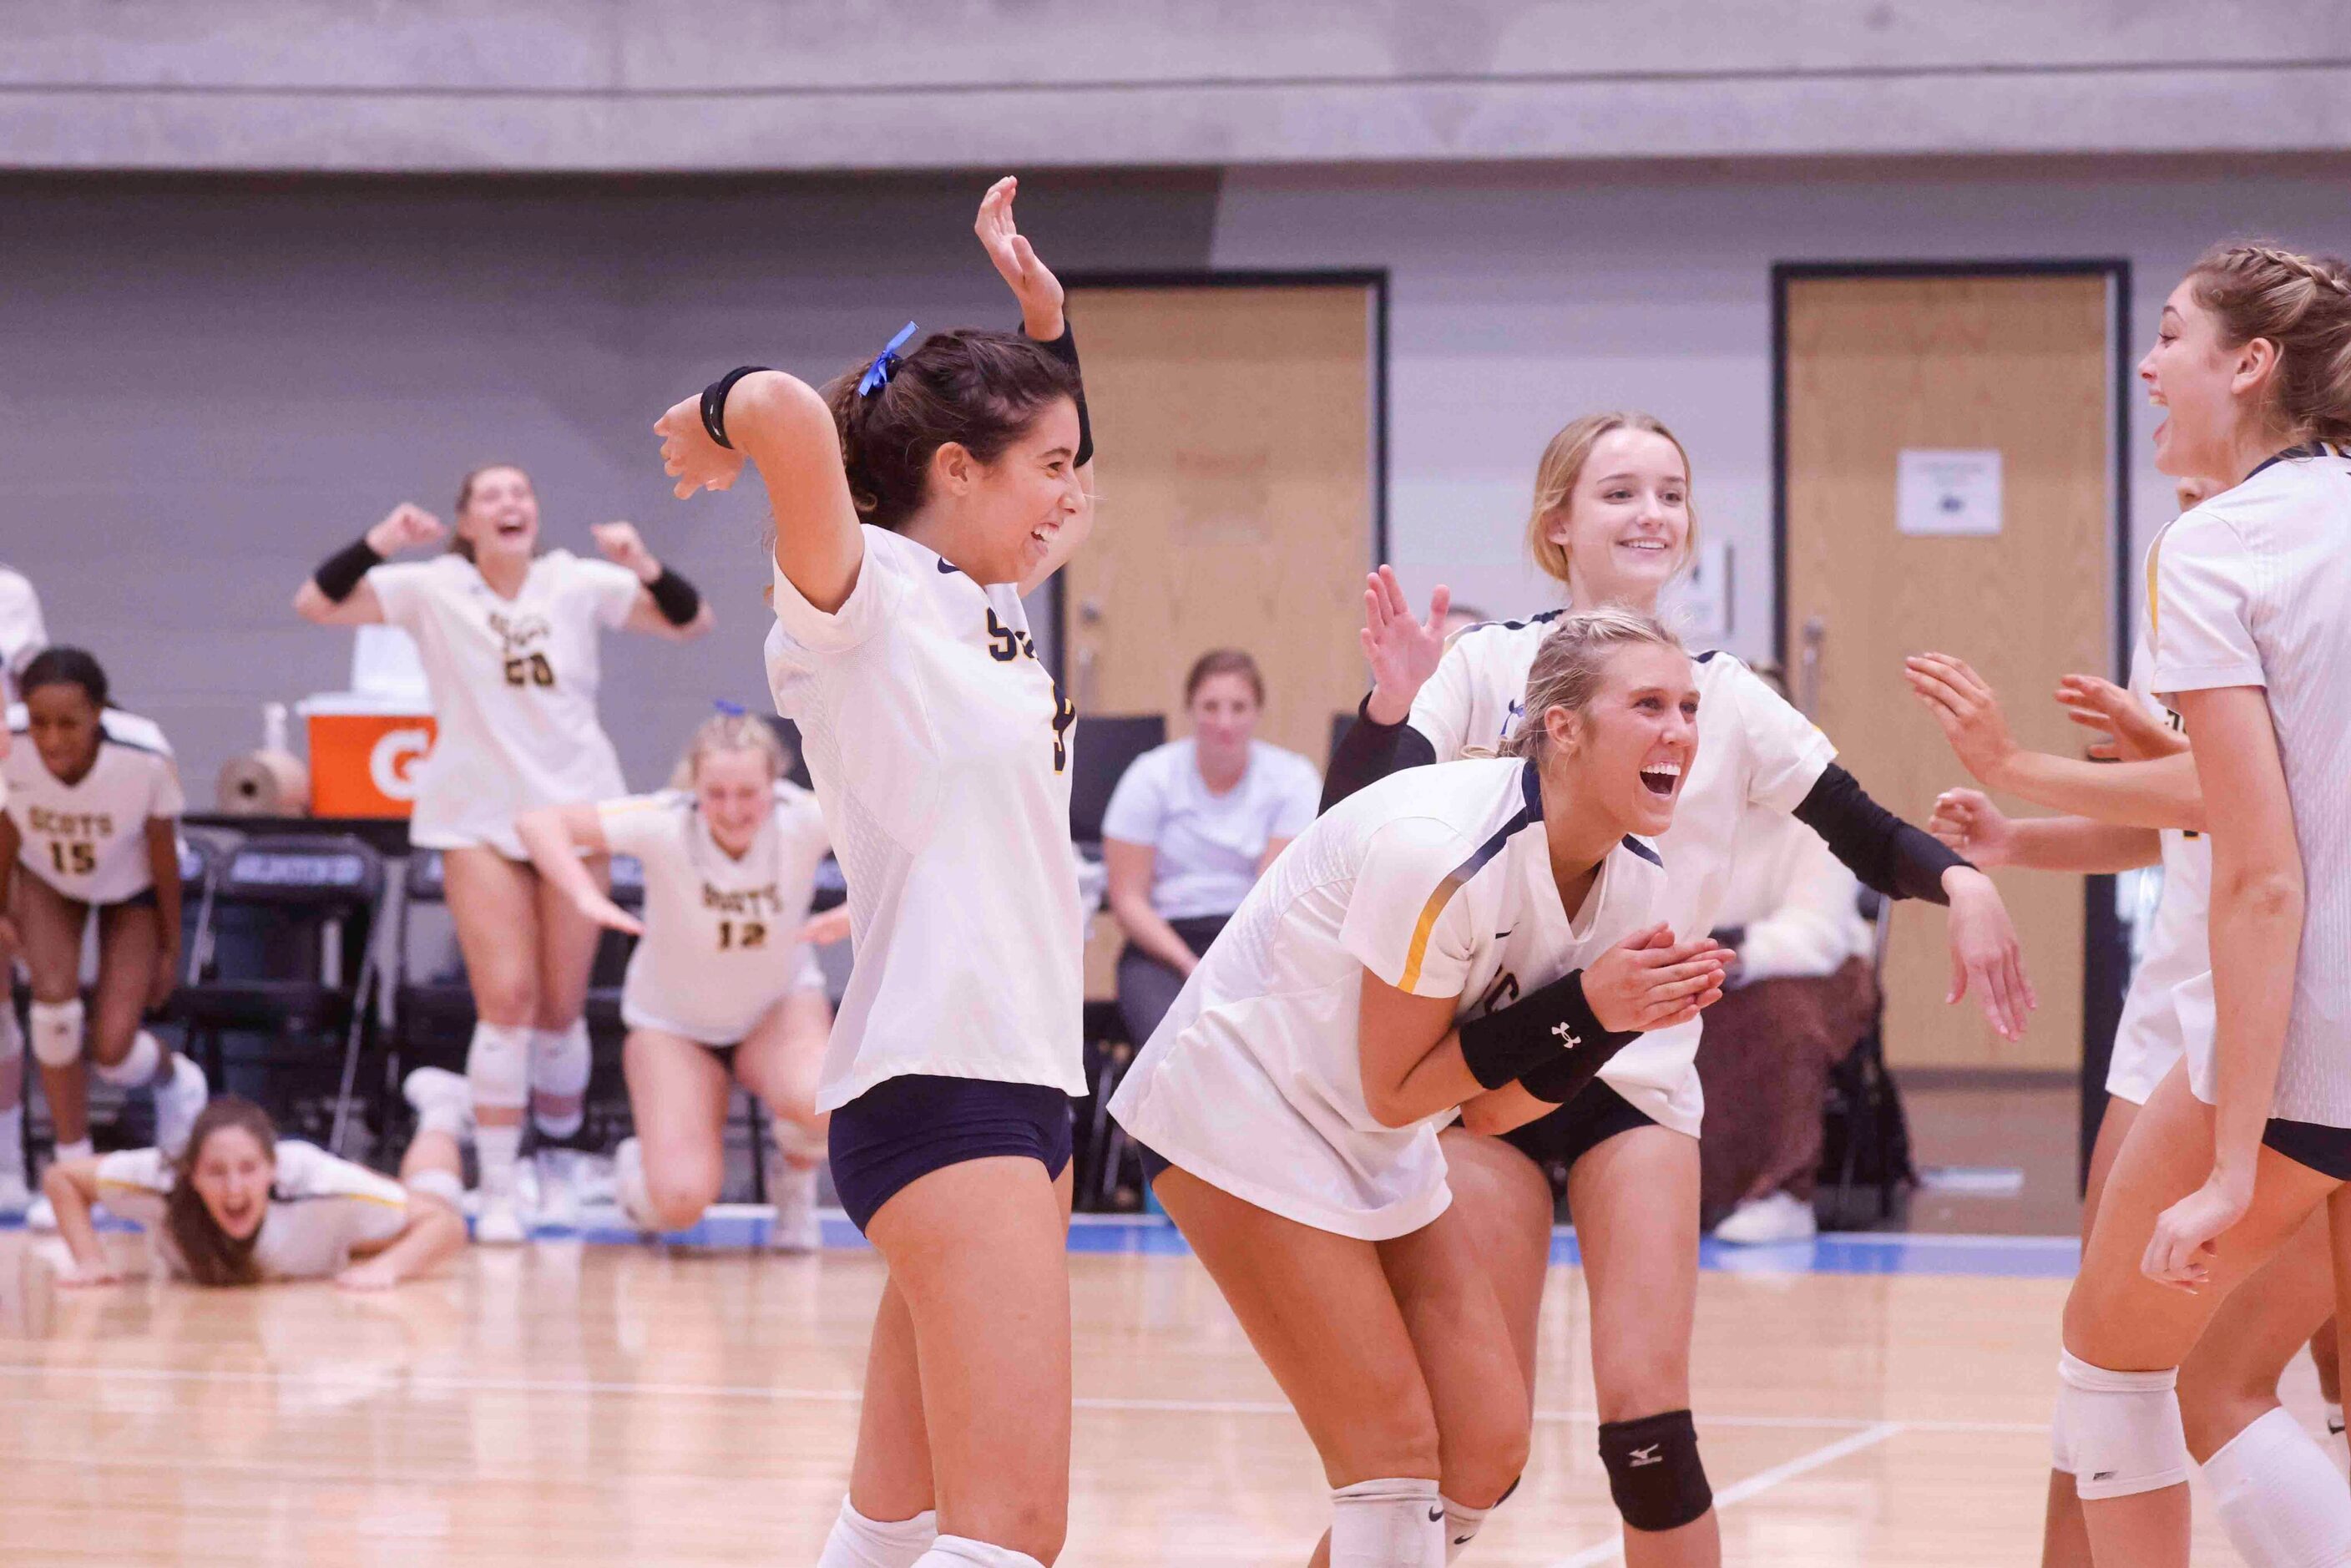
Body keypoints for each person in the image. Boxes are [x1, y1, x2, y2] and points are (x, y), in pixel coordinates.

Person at [1324, 411, 2030, 1565]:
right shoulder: (1488, 664)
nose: (1650, 512)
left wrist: (1965, 885)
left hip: (1633, 1083)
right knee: (1476, 1443)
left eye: (1670, 492)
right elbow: (1359, 831)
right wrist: (1391, 709)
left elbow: (1860, 826)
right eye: (1619, 493)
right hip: (1478, 1079)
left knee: (1648, 1426)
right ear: (1559, 524)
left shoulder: (1722, 694)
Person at [655, 175, 1093, 1568]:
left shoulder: (987, 610)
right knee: (1011, 1528)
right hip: (938, 1082)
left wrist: (1043, 321)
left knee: (893, 1520)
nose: (1076, 496)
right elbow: (788, 405)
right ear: (953, 472)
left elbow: (1033, 456)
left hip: (1026, 1081)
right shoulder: (860, 605)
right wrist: (714, 413)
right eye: (1051, 468)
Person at [1113, 610, 1728, 1567]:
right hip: (1241, 1111)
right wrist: (1582, 1007)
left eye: (1688, 707)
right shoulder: (1438, 843)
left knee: (1482, 1447)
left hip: (1372, 1128)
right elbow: (1400, 1089)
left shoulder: (1638, 884)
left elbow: (1486, 1111)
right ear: (1561, 726)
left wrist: (1609, 1021)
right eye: (1648, 704)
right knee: (1392, 1459)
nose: (1679, 731)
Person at [2045, 242, 2351, 1567]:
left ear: (2250, 363)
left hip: (2311, 1036)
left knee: (2117, 1377)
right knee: (2232, 1383)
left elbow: (2258, 864)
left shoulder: (2216, 545)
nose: (2148, 364)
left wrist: (2234, 1158)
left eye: (2170, 335)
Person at [294, 467, 714, 1242]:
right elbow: (316, 604)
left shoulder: (575, 580)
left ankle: (553, 1158)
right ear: (465, 520)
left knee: (559, 1010)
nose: (512, 503)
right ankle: (496, 1185)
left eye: (522, 492)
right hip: (474, 816)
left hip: (577, 809)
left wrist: (644, 563)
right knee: (508, 1002)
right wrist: (383, 541)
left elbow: (690, 622)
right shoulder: (434, 587)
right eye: (491, 496)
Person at [515, 710, 835, 1250]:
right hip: (673, 1025)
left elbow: (912, 829)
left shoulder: (806, 817)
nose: (732, 810)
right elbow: (537, 823)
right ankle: (636, 1170)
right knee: (680, 1203)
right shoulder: (663, 820)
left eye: (748, 793)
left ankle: (795, 1189)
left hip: (775, 1009)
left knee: (823, 1096)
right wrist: (584, 893)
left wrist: (859, 913)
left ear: (775, 784)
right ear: (694, 787)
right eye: (716, 793)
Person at [0, 648, 207, 1219]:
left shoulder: (142, 755)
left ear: (98, 715)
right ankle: (74, 1170)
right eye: (39, 722)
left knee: (111, 1049)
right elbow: (6, 829)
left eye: (68, 723)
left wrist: (171, 946)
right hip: (48, 878)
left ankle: (174, 1078)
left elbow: (164, 857)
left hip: (131, 888)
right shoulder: (8, 743)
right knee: (53, 1011)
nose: (51, 738)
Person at [43, 1072, 473, 1289]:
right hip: (322, 1247)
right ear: (191, 1174)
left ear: (273, 1169)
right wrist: (90, 1261)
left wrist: (389, 1269)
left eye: (249, 1169)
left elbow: (445, 1226)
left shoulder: (318, 1183)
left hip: (346, 1230)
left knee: (432, 1198)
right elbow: (63, 1179)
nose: (234, 1189)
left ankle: (442, 1110)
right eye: (216, 1172)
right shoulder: (161, 1179)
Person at [1101, 648, 1321, 1049]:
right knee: (1175, 1049)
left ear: (1257, 711)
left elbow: (1270, 894)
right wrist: (1189, 966)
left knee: (1267, 1048)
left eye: (1238, 707)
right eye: (1210, 707)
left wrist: (1230, 968)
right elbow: (1127, 899)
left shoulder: (1293, 779)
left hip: (1252, 938)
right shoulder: (1150, 777)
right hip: (1163, 948)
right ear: (1189, 708)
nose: (1224, 722)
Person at [1694, 791, 1875, 1245]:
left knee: (1783, 1018)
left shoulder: (1823, 816)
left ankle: (1782, 1194)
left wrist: (1741, 957)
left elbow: (1820, 930)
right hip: (1704, 960)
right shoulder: (1677, 810)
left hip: (1818, 968)